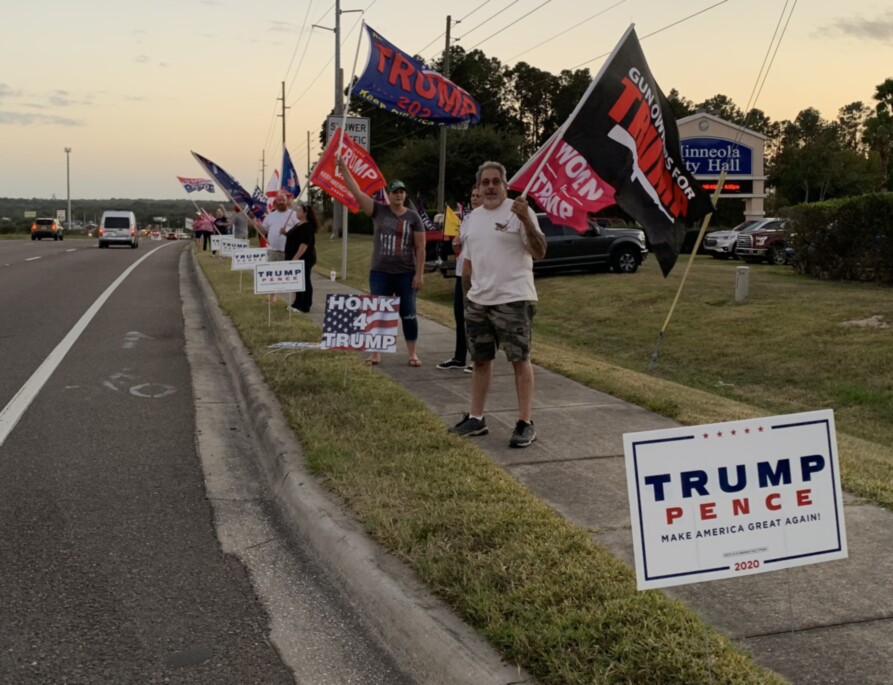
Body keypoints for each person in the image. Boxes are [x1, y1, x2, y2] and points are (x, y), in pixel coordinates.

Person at [448, 161, 547, 448]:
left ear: (505, 185)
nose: (490, 187)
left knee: (519, 360)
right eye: (485, 182)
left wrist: (526, 219)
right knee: (480, 361)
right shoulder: (473, 218)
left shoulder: (520, 211)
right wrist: (468, 297)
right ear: (478, 187)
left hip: (514, 300)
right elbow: (468, 263)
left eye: (496, 181)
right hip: (479, 301)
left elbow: (540, 252)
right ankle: (476, 418)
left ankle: (525, 422)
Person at [336, 156, 425, 367]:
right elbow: (357, 193)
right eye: (395, 191)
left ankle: (412, 354)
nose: (399, 195)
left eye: (402, 191)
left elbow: (420, 247)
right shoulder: (378, 210)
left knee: (409, 313)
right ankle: (375, 353)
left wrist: (419, 274)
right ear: (388, 194)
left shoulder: (413, 218)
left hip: (405, 272)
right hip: (380, 272)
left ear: (405, 194)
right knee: (378, 311)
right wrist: (344, 169)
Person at [437, 185, 483, 373]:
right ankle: (459, 357)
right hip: (461, 272)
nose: (474, 198)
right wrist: (456, 244)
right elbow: (460, 250)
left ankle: (478, 358)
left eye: (478, 195)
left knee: (476, 317)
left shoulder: (487, 220)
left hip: (479, 274)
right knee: (460, 315)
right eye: (472, 195)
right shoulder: (467, 219)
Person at [249, 191, 299, 300]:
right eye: (279, 200)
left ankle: (294, 298)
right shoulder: (271, 216)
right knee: (273, 275)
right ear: (276, 202)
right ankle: (273, 296)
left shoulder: (293, 215)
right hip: (273, 250)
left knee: (290, 276)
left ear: (287, 202)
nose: (281, 202)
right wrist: (255, 225)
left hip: (289, 250)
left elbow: (299, 229)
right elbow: (264, 229)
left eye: (283, 200)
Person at [284, 202, 319, 313]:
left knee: (304, 281)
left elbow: (304, 244)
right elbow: (295, 237)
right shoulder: (299, 224)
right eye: (297, 210)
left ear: (305, 213)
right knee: (297, 281)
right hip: (295, 258)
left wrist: (296, 257)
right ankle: (297, 303)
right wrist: (285, 233)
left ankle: (305, 305)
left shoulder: (307, 226)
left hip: (304, 258)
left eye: (299, 210)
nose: (296, 212)